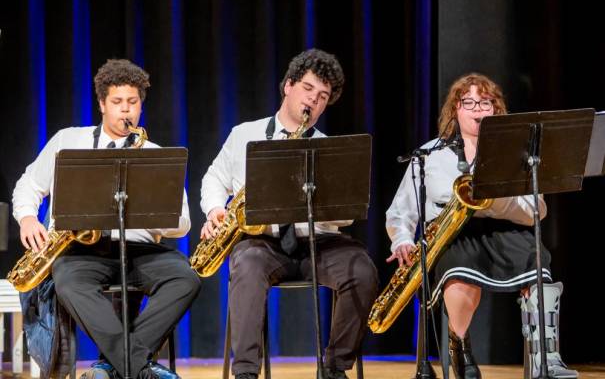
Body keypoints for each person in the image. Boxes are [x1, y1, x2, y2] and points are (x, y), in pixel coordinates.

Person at [13, 59, 201, 379]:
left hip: (139, 250)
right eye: (117, 102)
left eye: (132, 103)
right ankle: (139, 369)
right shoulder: (68, 141)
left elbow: (182, 222)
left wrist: (150, 213)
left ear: (141, 106)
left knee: (186, 278)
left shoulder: (155, 153)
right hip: (82, 251)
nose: (125, 111)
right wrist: (28, 218)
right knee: (68, 283)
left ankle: (114, 366)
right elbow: (28, 185)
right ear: (102, 104)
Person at [200, 48, 378, 379]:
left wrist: (323, 207)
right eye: (309, 89)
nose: (314, 101)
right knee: (247, 264)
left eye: (323, 96)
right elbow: (213, 178)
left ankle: (335, 367)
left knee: (361, 269)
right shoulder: (244, 134)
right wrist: (214, 209)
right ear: (289, 86)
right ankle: (246, 373)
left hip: (318, 242)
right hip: (262, 242)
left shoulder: (328, 148)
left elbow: (345, 218)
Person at [385, 73, 577, 379]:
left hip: (504, 229)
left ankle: (547, 357)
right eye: (468, 102)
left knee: (537, 263)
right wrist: (402, 241)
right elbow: (400, 211)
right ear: (455, 110)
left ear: (496, 110)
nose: (477, 109)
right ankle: (459, 345)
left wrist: (494, 201)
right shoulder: (430, 154)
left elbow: (536, 210)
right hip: (452, 234)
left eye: (485, 102)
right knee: (459, 274)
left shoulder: (519, 153)